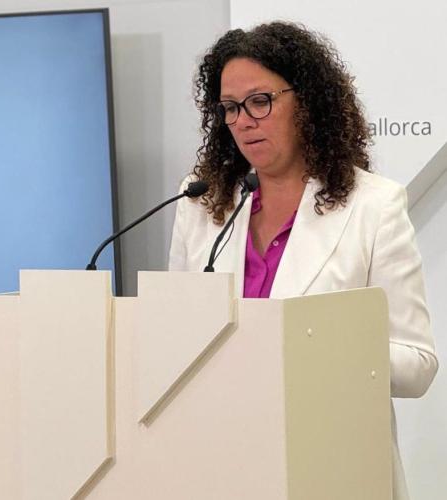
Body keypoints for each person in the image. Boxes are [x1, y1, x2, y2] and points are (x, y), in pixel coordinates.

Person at [168, 21, 438, 499]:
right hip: (220, 460)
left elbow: (418, 366)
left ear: (307, 102)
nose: (243, 121)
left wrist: (313, 343)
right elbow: (173, 333)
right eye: (230, 108)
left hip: (331, 466)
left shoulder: (374, 206)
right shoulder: (202, 201)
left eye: (260, 101)